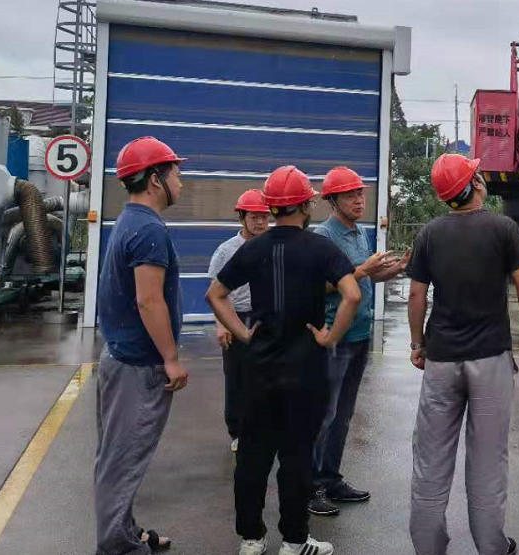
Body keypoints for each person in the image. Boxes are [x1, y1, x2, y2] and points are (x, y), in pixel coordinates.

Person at [206, 165, 362, 555]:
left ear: (271, 207)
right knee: (296, 458)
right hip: (306, 370)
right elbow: (353, 294)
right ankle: (294, 541)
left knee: (253, 456)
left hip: (258, 369)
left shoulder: (253, 248)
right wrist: (330, 336)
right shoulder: (321, 248)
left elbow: (215, 294)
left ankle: (251, 539)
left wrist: (243, 333)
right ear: (306, 205)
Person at [407, 153, 519, 555]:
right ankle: (492, 546)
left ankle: (428, 546)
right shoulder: (503, 228)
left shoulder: (429, 234)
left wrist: (418, 344)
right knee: (487, 461)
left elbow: (416, 294)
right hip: (489, 359)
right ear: (476, 184)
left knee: (430, 460)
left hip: (441, 360)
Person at [94, 136, 188, 555]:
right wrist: (171, 359)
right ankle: (117, 546)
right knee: (123, 459)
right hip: (137, 365)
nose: (181, 181)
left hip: (121, 357)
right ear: (154, 179)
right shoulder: (148, 229)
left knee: (118, 456)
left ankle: (125, 532)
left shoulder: (129, 221)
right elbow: (148, 301)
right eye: (176, 173)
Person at [308, 166, 410, 517]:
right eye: (350, 195)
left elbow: (366, 278)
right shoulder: (323, 236)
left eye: (360, 193)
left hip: (360, 336)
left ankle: (331, 478)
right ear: (332, 200)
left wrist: (394, 269)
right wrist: (364, 270)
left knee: (343, 415)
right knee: (324, 415)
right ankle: (310, 486)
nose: (359, 200)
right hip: (335, 338)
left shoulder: (360, 233)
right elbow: (319, 286)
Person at [208, 189, 272, 453]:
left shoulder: (273, 245)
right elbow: (215, 292)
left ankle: (265, 430)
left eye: (264, 217)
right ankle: (237, 432)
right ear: (242, 218)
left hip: (266, 317)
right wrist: (221, 324)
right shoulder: (227, 250)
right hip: (235, 317)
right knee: (237, 378)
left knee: (267, 377)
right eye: (254, 217)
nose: (260, 222)